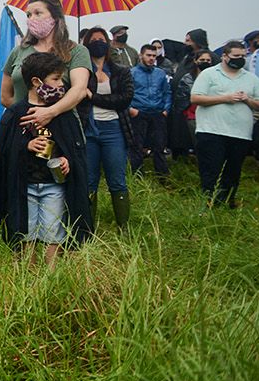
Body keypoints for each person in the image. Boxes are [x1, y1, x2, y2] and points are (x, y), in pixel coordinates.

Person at [0, 52, 92, 268]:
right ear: (36, 82)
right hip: (24, 186)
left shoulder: (62, 113)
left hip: (54, 186)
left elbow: (73, 149)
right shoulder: (16, 113)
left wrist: (66, 160)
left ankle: (51, 277)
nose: (61, 84)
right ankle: (29, 275)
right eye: (55, 79)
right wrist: (26, 145)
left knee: (54, 232)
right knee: (26, 232)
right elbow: (3, 151)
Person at [190, 40, 259, 208]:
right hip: (211, 131)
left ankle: (228, 203)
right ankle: (209, 203)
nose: (240, 59)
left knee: (233, 172)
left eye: (242, 56)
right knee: (211, 170)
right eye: (235, 56)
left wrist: (248, 100)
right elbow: (196, 98)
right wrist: (225, 98)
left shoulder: (251, 78)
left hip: (240, 133)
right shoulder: (209, 74)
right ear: (224, 56)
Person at [0, 0, 91, 131]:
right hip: (22, 128)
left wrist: (50, 112)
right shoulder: (18, 51)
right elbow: (5, 97)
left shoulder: (76, 51)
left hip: (62, 128)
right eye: (29, 15)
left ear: (55, 17)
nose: (32, 19)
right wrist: (29, 114)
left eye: (38, 13)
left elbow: (79, 90)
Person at [80, 27, 134, 230]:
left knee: (117, 180)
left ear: (108, 42)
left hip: (114, 131)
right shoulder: (81, 72)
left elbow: (124, 99)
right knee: (89, 180)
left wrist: (94, 97)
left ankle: (124, 227)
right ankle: (87, 227)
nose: (98, 42)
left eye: (101, 39)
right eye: (93, 39)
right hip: (89, 129)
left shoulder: (121, 71)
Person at [129, 43, 172, 179]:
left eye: (154, 56)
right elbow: (126, 93)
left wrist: (166, 109)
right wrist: (131, 109)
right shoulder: (132, 73)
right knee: (137, 146)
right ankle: (137, 177)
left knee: (159, 146)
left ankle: (162, 176)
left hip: (158, 113)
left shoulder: (160, 73)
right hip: (139, 112)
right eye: (148, 55)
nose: (151, 58)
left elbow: (167, 92)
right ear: (141, 55)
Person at [174, 49, 214, 143]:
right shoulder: (187, 78)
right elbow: (181, 98)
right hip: (193, 116)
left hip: (211, 115)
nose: (205, 62)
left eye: (208, 60)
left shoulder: (215, 77)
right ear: (195, 61)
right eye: (202, 60)